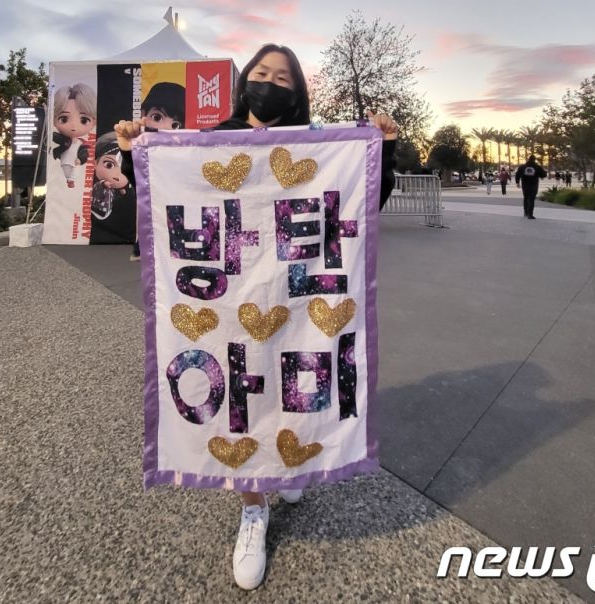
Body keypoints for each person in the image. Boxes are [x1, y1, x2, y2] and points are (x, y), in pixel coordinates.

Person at [114, 43, 398, 591]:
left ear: (296, 90)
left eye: (282, 77)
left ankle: (288, 463)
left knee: (290, 379)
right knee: (240, 398)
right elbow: (168, 193)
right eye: (261, 73)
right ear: (246, 81)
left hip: (294, 294)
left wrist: (383, 148)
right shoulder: (209, 142)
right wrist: (134, 154)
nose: (270, 82)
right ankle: (252, 508)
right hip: (227, 298)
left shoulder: (318, 143)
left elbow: (359, 201)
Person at [130, 83, 186, 260]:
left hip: (172, 192)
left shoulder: (179, 147)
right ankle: (141, 247)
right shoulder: (137, 141)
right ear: (143, 115)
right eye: (157, 117)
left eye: (175, 124)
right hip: (148, 191)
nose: (166, 127)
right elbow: (130, 171)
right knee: (146, 214)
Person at [89, 132, 136, 244]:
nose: (116, 175)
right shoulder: (93, 187)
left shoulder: (134, 193)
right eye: (109, 165)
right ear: (95, 163)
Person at [52, 83, 97, 188]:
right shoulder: (61, 139)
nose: (73, 126)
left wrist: (81, 159)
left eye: (84, 120)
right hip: (64, 162)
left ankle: (71, 180)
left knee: (75, 171)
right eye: (64, 119)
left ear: (94, 122)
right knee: (67, 172)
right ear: (54, 121)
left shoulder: (84, 144)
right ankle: (69, 180)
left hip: (75, 163)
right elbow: (54, 139)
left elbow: (85, 154)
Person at [515, 154, 547, 219]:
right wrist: (541, 175)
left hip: (525, 185)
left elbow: (517, 174)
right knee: (531, 199)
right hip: (533, 185)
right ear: (534, 160)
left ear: (528, 159)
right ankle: (530, 214)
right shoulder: (537, 167)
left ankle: (525, 212)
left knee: (526, 198)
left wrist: (517, 182)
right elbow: (543, 174)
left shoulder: (522, 166)